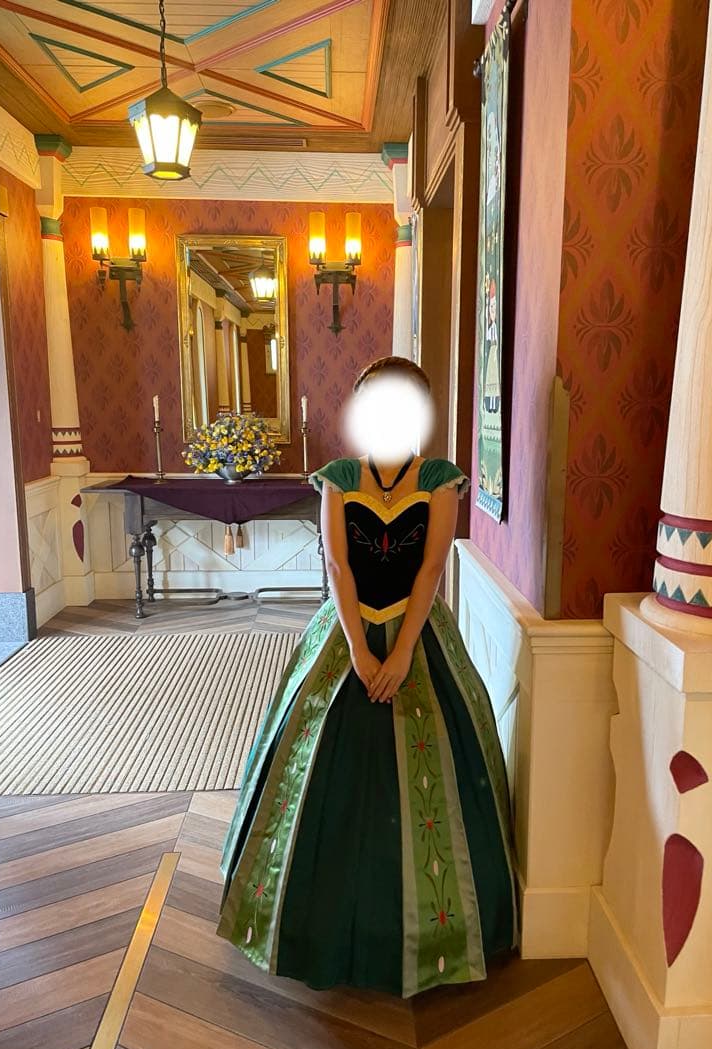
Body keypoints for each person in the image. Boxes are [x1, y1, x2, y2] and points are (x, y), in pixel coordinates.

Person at [217, 356, 518, 998]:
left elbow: (431, 568)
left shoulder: (439, 479)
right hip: (346, 633)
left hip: (418, 635)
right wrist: (358, 649)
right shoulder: (338, 477)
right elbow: (339, 567)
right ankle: (314, 933)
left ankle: (434, 940)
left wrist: (403, 652)